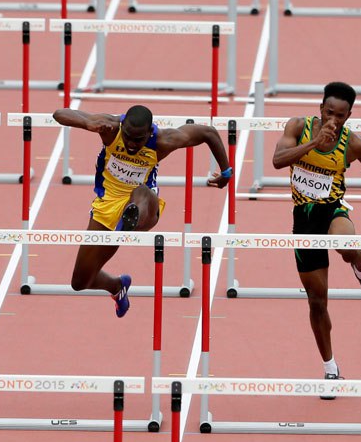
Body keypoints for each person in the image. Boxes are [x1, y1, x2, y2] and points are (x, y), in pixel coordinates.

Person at [273, 82, 361, 386]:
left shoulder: (353, 144)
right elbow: (278, 161)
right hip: (303, 221)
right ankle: (330, 367)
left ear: (349, 116)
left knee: (346, 244)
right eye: (329, 113)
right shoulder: (298, 127)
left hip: (332, 210)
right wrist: (313, 143)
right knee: (317, 303)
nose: (334, 120)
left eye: (341, 116)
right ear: (321, 109)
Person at [52, 105, 231, 316]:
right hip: (106, 207)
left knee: (141, 191)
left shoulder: (164, 141)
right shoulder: (110, 128)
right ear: (122, 126)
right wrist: (86, 122)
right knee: (80, 281)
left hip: (146, 207)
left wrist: (226, 170)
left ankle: (131, 217)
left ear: (150, 133)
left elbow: (208, 132)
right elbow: (59, 114)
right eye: (127, 136)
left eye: (138, 140)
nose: (130, 144)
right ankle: (117, 286)